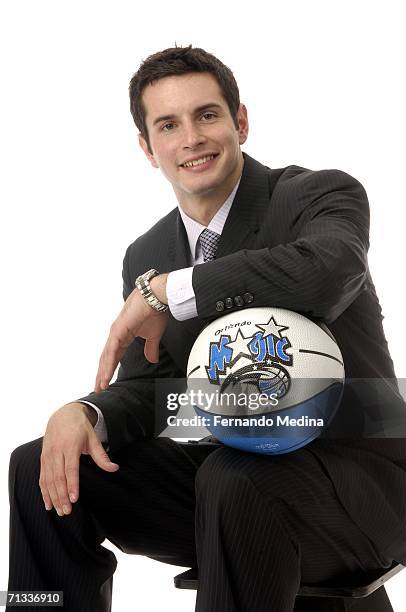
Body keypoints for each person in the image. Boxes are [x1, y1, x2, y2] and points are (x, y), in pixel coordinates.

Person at [7, 44, 406, 612]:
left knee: (234, 475)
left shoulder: (317, 195)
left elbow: (328, 273)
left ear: (240, 122)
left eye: (207, 115)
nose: (191, 138)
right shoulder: (146, 253)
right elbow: (159, 396)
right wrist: (85, 412)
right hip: (227, 487)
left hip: (358, 483)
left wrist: (174, 289)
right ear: (148, 148)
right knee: (42, 464)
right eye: (169, 125)